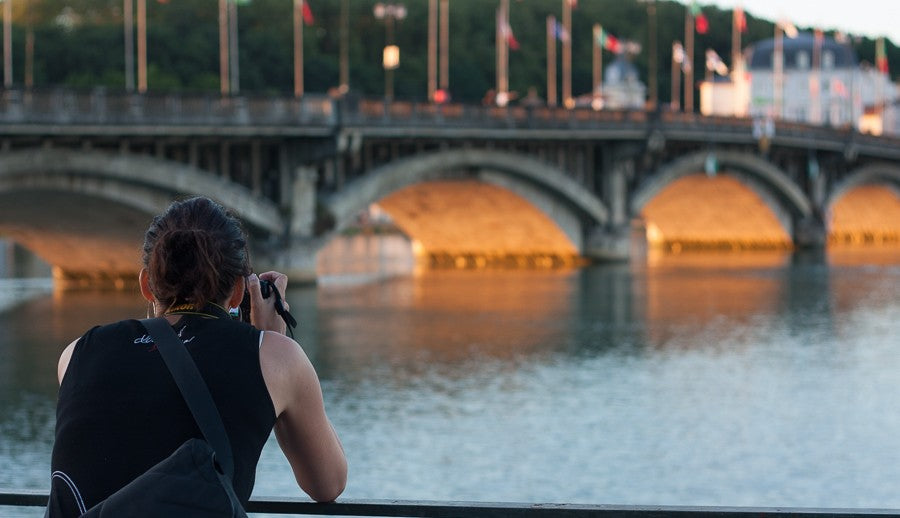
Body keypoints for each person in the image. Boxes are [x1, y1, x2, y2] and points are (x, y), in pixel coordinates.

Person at [47, 197, 347, 516]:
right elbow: (327, 484)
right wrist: (271, 342)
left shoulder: (76, 353)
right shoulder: (276, 357)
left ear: (147, 285)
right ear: (237, 291)